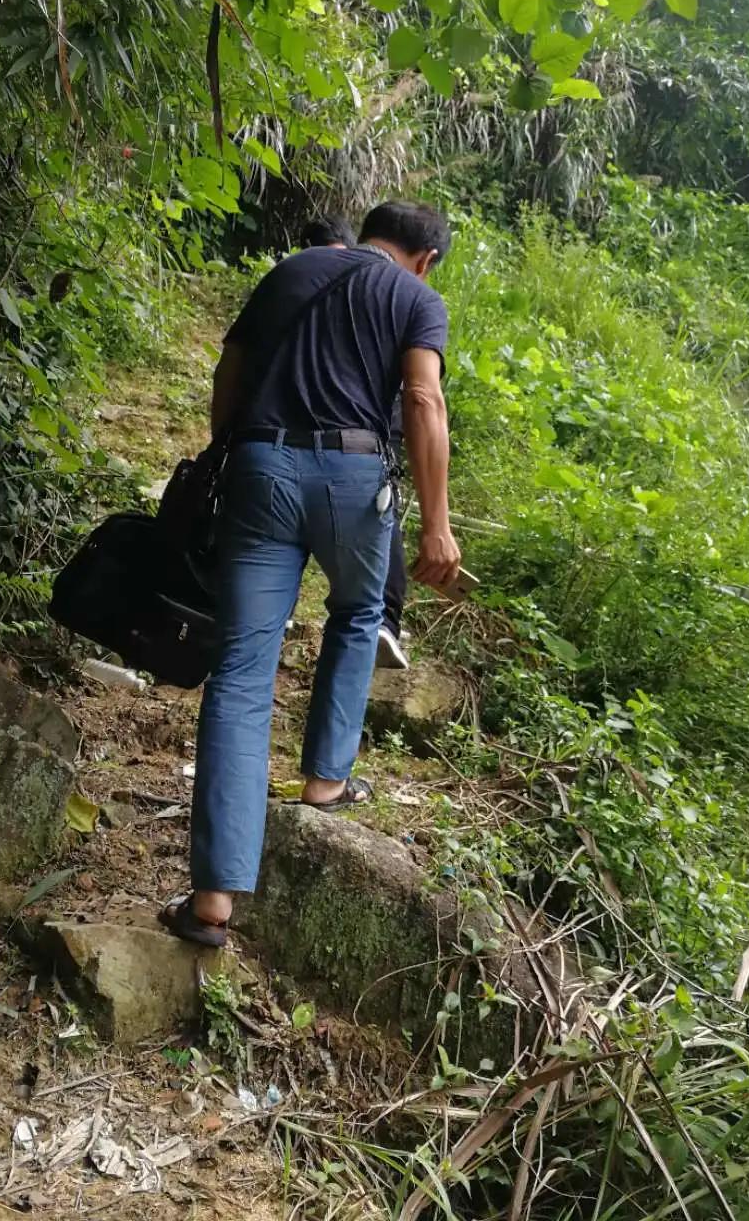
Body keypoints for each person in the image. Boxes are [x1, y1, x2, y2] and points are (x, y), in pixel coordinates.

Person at [160, 201, 460, 946]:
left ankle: (212, 904)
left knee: (241, 670)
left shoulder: (292, 270)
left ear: (368, 232)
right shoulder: (416, 298)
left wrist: (230, 451)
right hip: (355, 479)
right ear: (425, 257)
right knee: (359, 614)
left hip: (263, 466)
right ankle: (326, 780)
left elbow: (230, 371)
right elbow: (422, 397)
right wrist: (436, 522)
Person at [292, 213, 410, 669]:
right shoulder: (387, 286)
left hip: (363, 419)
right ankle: (377, 619)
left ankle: (382, 619)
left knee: (378, 503)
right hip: (337, 420)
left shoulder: (369, 285)